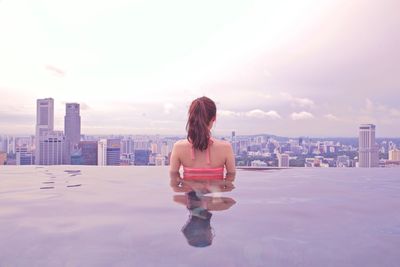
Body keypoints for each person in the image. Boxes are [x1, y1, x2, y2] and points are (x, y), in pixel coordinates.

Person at [169, 96, 236, 179]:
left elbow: (174, 185)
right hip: (216, 192)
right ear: (214, 118)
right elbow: (230, 184)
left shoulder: (178, 147)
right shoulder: (226, 148)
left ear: (191, 117)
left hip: (189, 191)